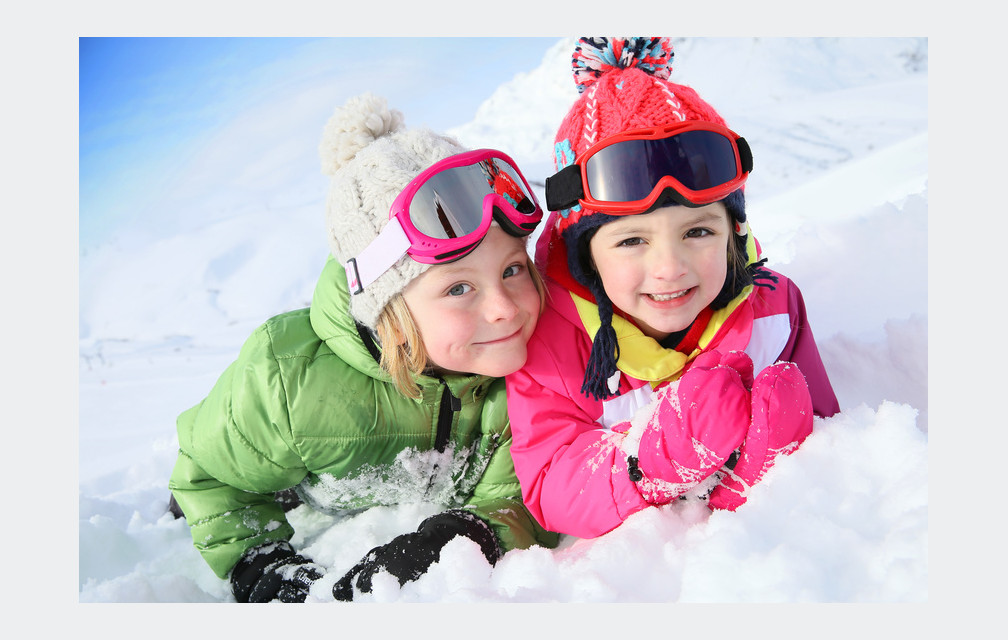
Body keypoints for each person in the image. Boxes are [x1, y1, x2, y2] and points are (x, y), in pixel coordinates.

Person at [168, 92, 559, 602]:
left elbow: (520, 494)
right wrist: (259, 563)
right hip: (296, 471)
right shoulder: (290, 380)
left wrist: (469, 534)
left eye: (512, 269)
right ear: (389, 311)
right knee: (238, 469)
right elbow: (208, 477)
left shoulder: (531, 371)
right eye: (458, 288)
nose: (504, 308)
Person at [505, 37, 841, 540]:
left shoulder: (775, 304)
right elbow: (551, 481)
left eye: (699, 232)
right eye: (632, 240)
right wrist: (652, 457)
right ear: (584, 256)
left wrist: (773, 461)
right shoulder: (550, 348)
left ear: (734, 232)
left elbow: (829, 427)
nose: (669, 268)